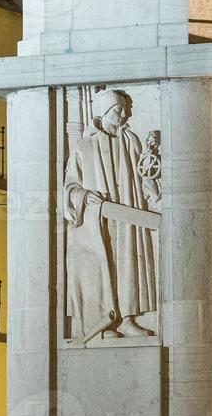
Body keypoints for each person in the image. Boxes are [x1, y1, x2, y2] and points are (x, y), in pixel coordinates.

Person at [63, 89, 158, 341]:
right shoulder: (85, 146)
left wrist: (154, 185)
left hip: (128, 215)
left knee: (129, 261)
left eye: (126, 110)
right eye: (119, 110)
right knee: (103, 265)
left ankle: (127, 318)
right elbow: (70, 187)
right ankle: (104, 323)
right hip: (99, 220)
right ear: (104, 112)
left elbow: (143, 172)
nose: (124, 115)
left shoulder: (131, 140)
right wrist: (84, 196)